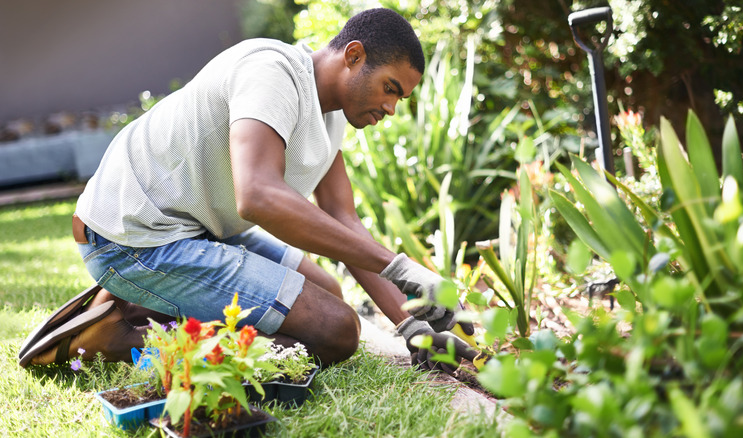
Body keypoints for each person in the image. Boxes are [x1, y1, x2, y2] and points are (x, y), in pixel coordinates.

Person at [18, 8, 476, 372]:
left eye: (400, 97)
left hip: (197, 229)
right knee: (336, 330)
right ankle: (123, 337)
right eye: (389, 88)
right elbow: (257, 195)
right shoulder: (272, 72)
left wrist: (412, 323)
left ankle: (138, 305)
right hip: (133, 238)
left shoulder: (331, 114)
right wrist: (400, 267)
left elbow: (343, 218)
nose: (391, 107)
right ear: (353, 55)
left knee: (327, 290)